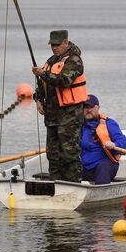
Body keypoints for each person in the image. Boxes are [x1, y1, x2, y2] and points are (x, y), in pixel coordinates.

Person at [32, 29, 88, 182]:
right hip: (52, 117)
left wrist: (42, 74)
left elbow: (64, 81)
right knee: (53, 155)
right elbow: (42, 86)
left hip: (69, 116)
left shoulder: (74, 60)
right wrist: (38, 99)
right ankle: (54, 185)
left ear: (65, 42)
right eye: (52, 45)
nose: (54, 48)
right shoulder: (51, 62)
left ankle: (73, 185)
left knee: (70, 154)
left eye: (57, 45)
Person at [81, 95, 126, 185]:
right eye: (85, 107)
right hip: (85, 167)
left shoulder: (109, 124)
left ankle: (100, 194)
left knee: (103, 167)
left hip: (103, 166)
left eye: (91, 107)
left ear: (98, 107)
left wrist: (114, 145)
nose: (88, 110)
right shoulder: (78, 126)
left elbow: (124, 143)